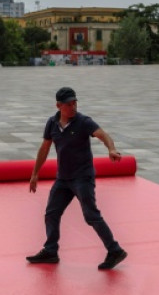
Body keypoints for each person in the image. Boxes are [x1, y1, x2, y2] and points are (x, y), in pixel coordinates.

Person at [26, 87, 128, 270]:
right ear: (59, 105)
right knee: (51, 213)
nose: (73, 107)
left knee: (91, 216)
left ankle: (115, 250)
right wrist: (35, 174)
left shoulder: (83, 122)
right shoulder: (52, 123)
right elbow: (44, 148)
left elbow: (103, 135)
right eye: (68, 104)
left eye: (75, 103)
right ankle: (50, 251)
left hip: (82, 177)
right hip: (63, 179)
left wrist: (111, 149)